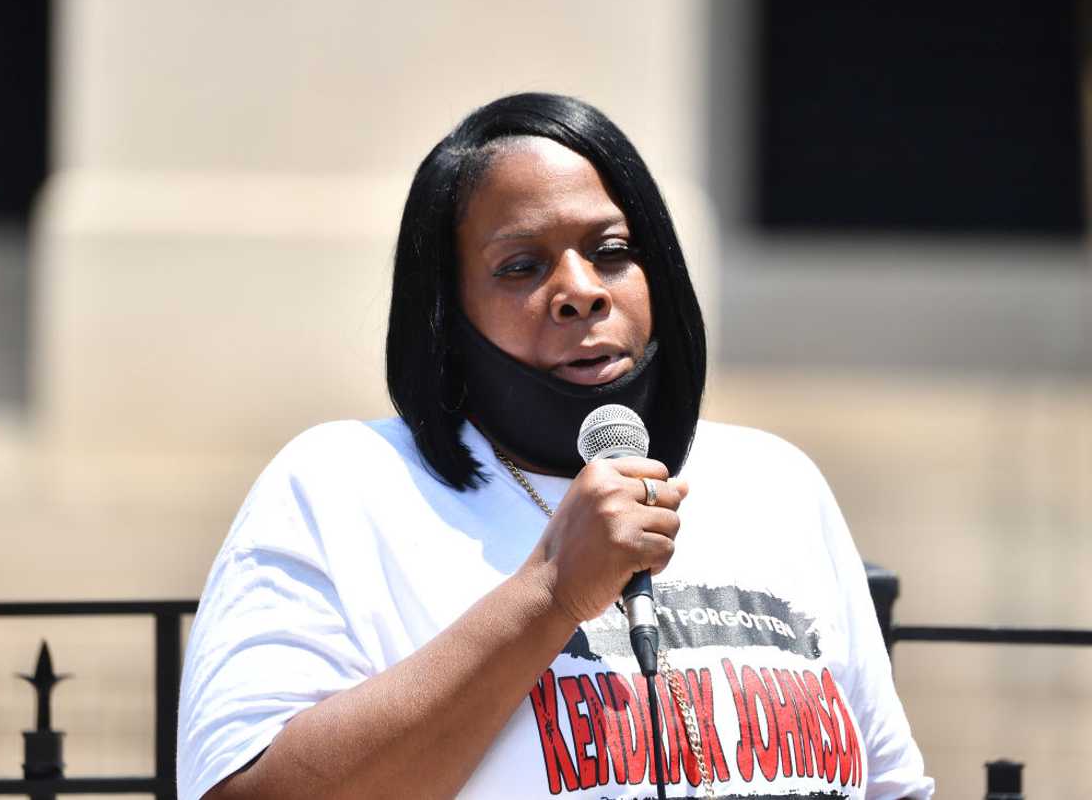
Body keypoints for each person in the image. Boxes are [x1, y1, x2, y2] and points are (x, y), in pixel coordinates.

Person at [177, 93, 934, 799]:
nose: (581, 289)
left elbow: (891, 785)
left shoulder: (776, 483)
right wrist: (548, 593)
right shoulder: (344, 486)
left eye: (611, 250)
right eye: (521, 266)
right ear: (446, 311)